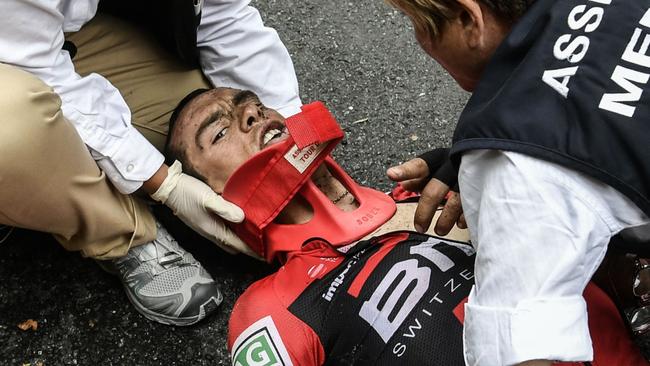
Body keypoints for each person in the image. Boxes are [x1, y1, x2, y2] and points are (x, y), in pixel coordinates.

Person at [164, 87, 647, 365]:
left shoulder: (429, 194)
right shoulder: (271, 309)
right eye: (221, 131)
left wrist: (494, 166)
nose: (251, 113)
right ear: (208, 201)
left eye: (251, 104)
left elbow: (590, 240)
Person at [0, 0, 301, 326]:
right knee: (14, 132)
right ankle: (122, 233)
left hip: (38, 33)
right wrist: (164, 184)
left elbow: (223, 15)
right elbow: (32, 64)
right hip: (15, 57)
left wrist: (293, 130)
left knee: (199, 123)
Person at [383, 0, 650, 364]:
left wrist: (498, 164)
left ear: (468, 18)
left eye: (415, 24)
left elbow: (524, 350)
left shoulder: (516, 177)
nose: (420, 42)